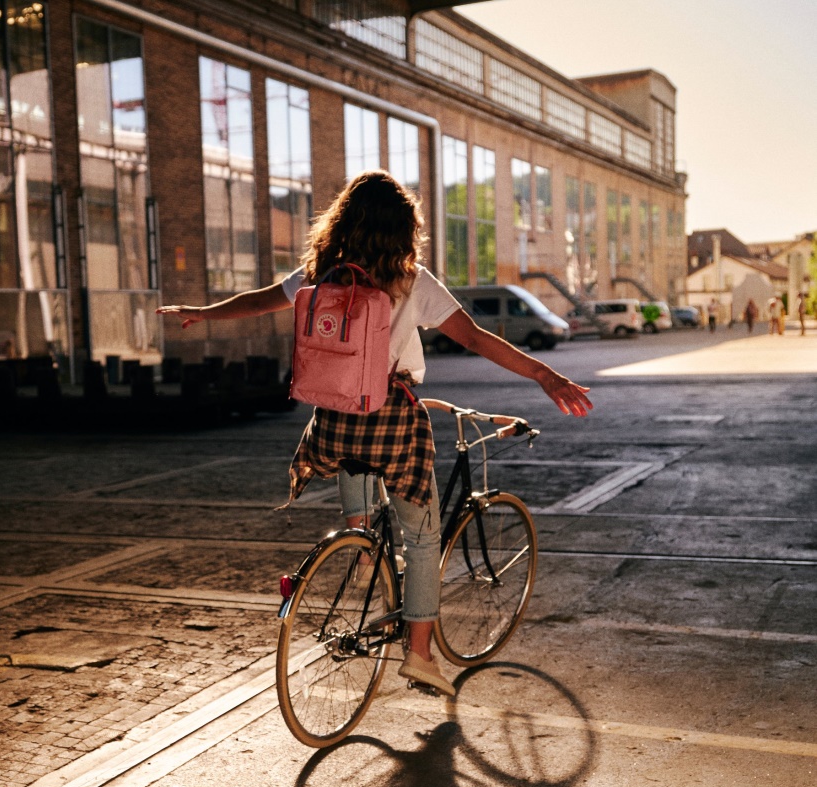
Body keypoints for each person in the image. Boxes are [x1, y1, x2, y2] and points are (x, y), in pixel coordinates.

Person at [157, 170, 592, 697]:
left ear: (343, 219)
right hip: (393, 417)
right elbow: (476, 339)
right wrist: (545, 375)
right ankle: (421, 656)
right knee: (424, 536)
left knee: (354, 463)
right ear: (404, 228)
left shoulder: (322, 273)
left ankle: (363, 547)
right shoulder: (411, 280)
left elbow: (262, 299)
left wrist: (203, 314)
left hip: (334, 418)